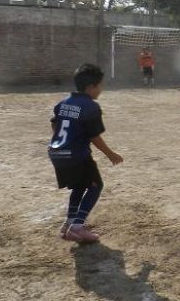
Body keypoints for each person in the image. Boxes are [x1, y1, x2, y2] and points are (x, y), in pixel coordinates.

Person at [48, 64, 124, 243]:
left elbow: (54, 124)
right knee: (96, 185)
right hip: (76, 155)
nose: (101, 89)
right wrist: (110, 154)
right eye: (100, 85)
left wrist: (62, 142)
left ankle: (69, 223)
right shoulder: (91, 107)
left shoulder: (63, 103)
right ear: (91, 87)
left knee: (80, 186)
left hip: (57, 153)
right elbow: (94, 136)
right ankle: (77, 227)